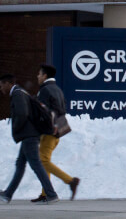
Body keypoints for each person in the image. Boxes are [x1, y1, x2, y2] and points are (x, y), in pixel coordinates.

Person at [0, 74, 60, 204]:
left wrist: (17, 127)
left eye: (1, 86)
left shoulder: (17, 94)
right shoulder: (21, 92)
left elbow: (22, 113)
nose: (1, 89)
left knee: (36, 164)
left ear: (8, 84)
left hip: (29, 135)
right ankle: (7, 194)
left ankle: (51, 194)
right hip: (29, 135)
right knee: (20, 164)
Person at [34, 64, 80, 202]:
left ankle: (70, 181)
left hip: (49, 131)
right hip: (57, 130)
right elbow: (62, 109)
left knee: (43, 161)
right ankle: (45, 193)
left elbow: (43, 112)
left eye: (39, 74)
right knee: (44, 160)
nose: (37, 76)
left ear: (45, 76)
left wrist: (39, 128)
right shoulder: (57, 89)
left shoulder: (45, 91)